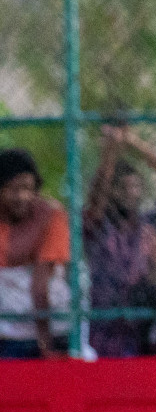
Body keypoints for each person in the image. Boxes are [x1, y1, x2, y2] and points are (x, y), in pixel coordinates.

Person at [84, 129, 156, 357]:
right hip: (103, 328)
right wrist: (110, 153)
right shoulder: (98, 227)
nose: (130, 193)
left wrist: (132, 142)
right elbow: (97, 196)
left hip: (140, 326)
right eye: (122, 187)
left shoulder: (147, 228)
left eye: (135, 186)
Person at [0, 149, 69, 359]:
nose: (22, 196)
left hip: (49, 331)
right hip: (8, 334)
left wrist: (45, 344)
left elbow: (40, 285)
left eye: (28, 188)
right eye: (13, 189)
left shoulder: (52, 217)